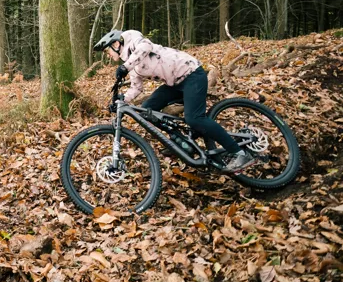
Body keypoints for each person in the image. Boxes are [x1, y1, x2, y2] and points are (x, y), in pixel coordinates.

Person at [93, 29, 256, 174]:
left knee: (194, 118)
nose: (107, 55)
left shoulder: (134, 40)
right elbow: (136, 88)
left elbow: (146, 47)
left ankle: (240, 153)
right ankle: (179, 142)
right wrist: (121, 99)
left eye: (107, 51)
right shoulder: (133, 66)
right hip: (174, 83)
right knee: (147, 109)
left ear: (116, 44)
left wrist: (125, 67)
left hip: (192, 74)